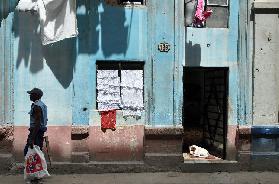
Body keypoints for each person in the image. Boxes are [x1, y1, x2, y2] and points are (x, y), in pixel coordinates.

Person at [24, 88, 48, 157]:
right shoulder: (41, 104)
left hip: (36, 132)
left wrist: (32, 138)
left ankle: (37, 167)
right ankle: (38, 167)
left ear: (36, 95)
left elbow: (37, 123)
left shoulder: (37, 106)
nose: (30, 96)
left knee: (28, 152)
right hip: (39, 131)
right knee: (37, 151)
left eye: (31, 94)